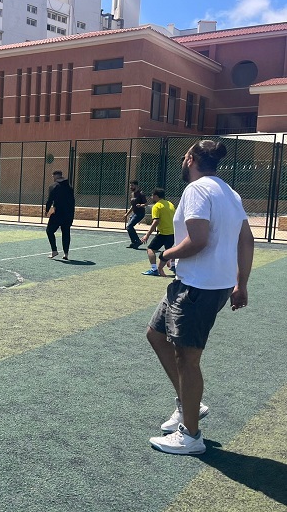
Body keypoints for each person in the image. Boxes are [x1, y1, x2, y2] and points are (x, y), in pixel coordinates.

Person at [147, 140, 254, 455]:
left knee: (188, 359)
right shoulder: (229, 192)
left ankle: (191, 436)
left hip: (197, 287)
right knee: (156, 335)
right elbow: (247, 240)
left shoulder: (196, 189)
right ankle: (188, 404)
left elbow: (198, 241)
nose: (183, 162)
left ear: (191, 159)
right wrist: (241, 284)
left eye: (184, 158)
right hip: (206, 284)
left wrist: (166, 254)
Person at [140, 188, 176, 276]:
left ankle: (154, 269)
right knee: (170, 251)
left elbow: (156, 221)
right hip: (172, 232)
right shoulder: (170, 204)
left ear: (156, 196)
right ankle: (173, 265)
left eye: (152, 195)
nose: (151, 197)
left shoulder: (157, 206)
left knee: (150, 249)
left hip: (163, 233)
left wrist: (147, 235)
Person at [44, 170, 75, 260]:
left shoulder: (53, 186)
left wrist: (46, 210)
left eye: (53, 176)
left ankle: (54, 250)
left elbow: (50, 200)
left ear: (55, 176)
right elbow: (72, 201)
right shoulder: (69, 187)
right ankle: (66, 254)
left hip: (58, 213)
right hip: (68, 213)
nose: (53, 178)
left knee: (49, 231)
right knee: (66, 232)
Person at [123, 180, 147, 249]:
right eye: (130, 185)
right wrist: (127, 214)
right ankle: (134, 242)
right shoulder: (132, 194)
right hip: (134, 213)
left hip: (140, 213)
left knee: (130, 226)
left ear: (136, 186)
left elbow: (146, 204)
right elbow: (132, 206)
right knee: (128, 227)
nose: (131, 187)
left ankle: (138, 241)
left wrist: (141, 205)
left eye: (132, 185)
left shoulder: (141, 194)